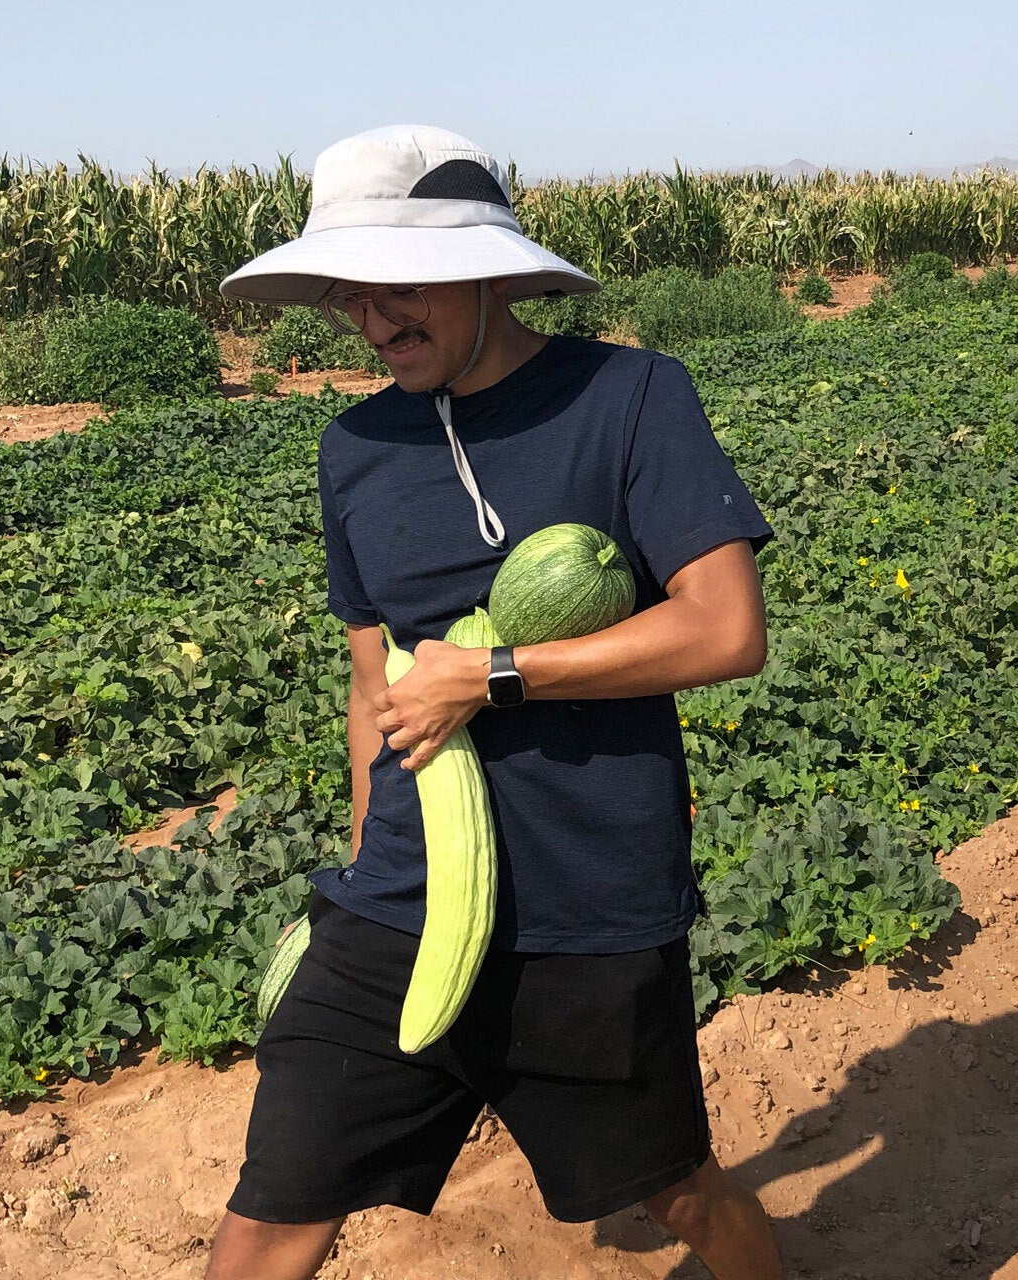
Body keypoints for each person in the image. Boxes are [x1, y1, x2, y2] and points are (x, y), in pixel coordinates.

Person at [210, 126, 784, 1280]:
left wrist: (496, 673)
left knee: (678, 1192)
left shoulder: (629, 397)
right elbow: (374, 680)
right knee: (277, 1203)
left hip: (589, 902)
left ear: (485, 267)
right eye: (348, 297)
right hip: (400, 902)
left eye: (401, 288)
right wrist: (368, 849)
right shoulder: (353, 447)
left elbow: (725, 627)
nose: (375, 323)